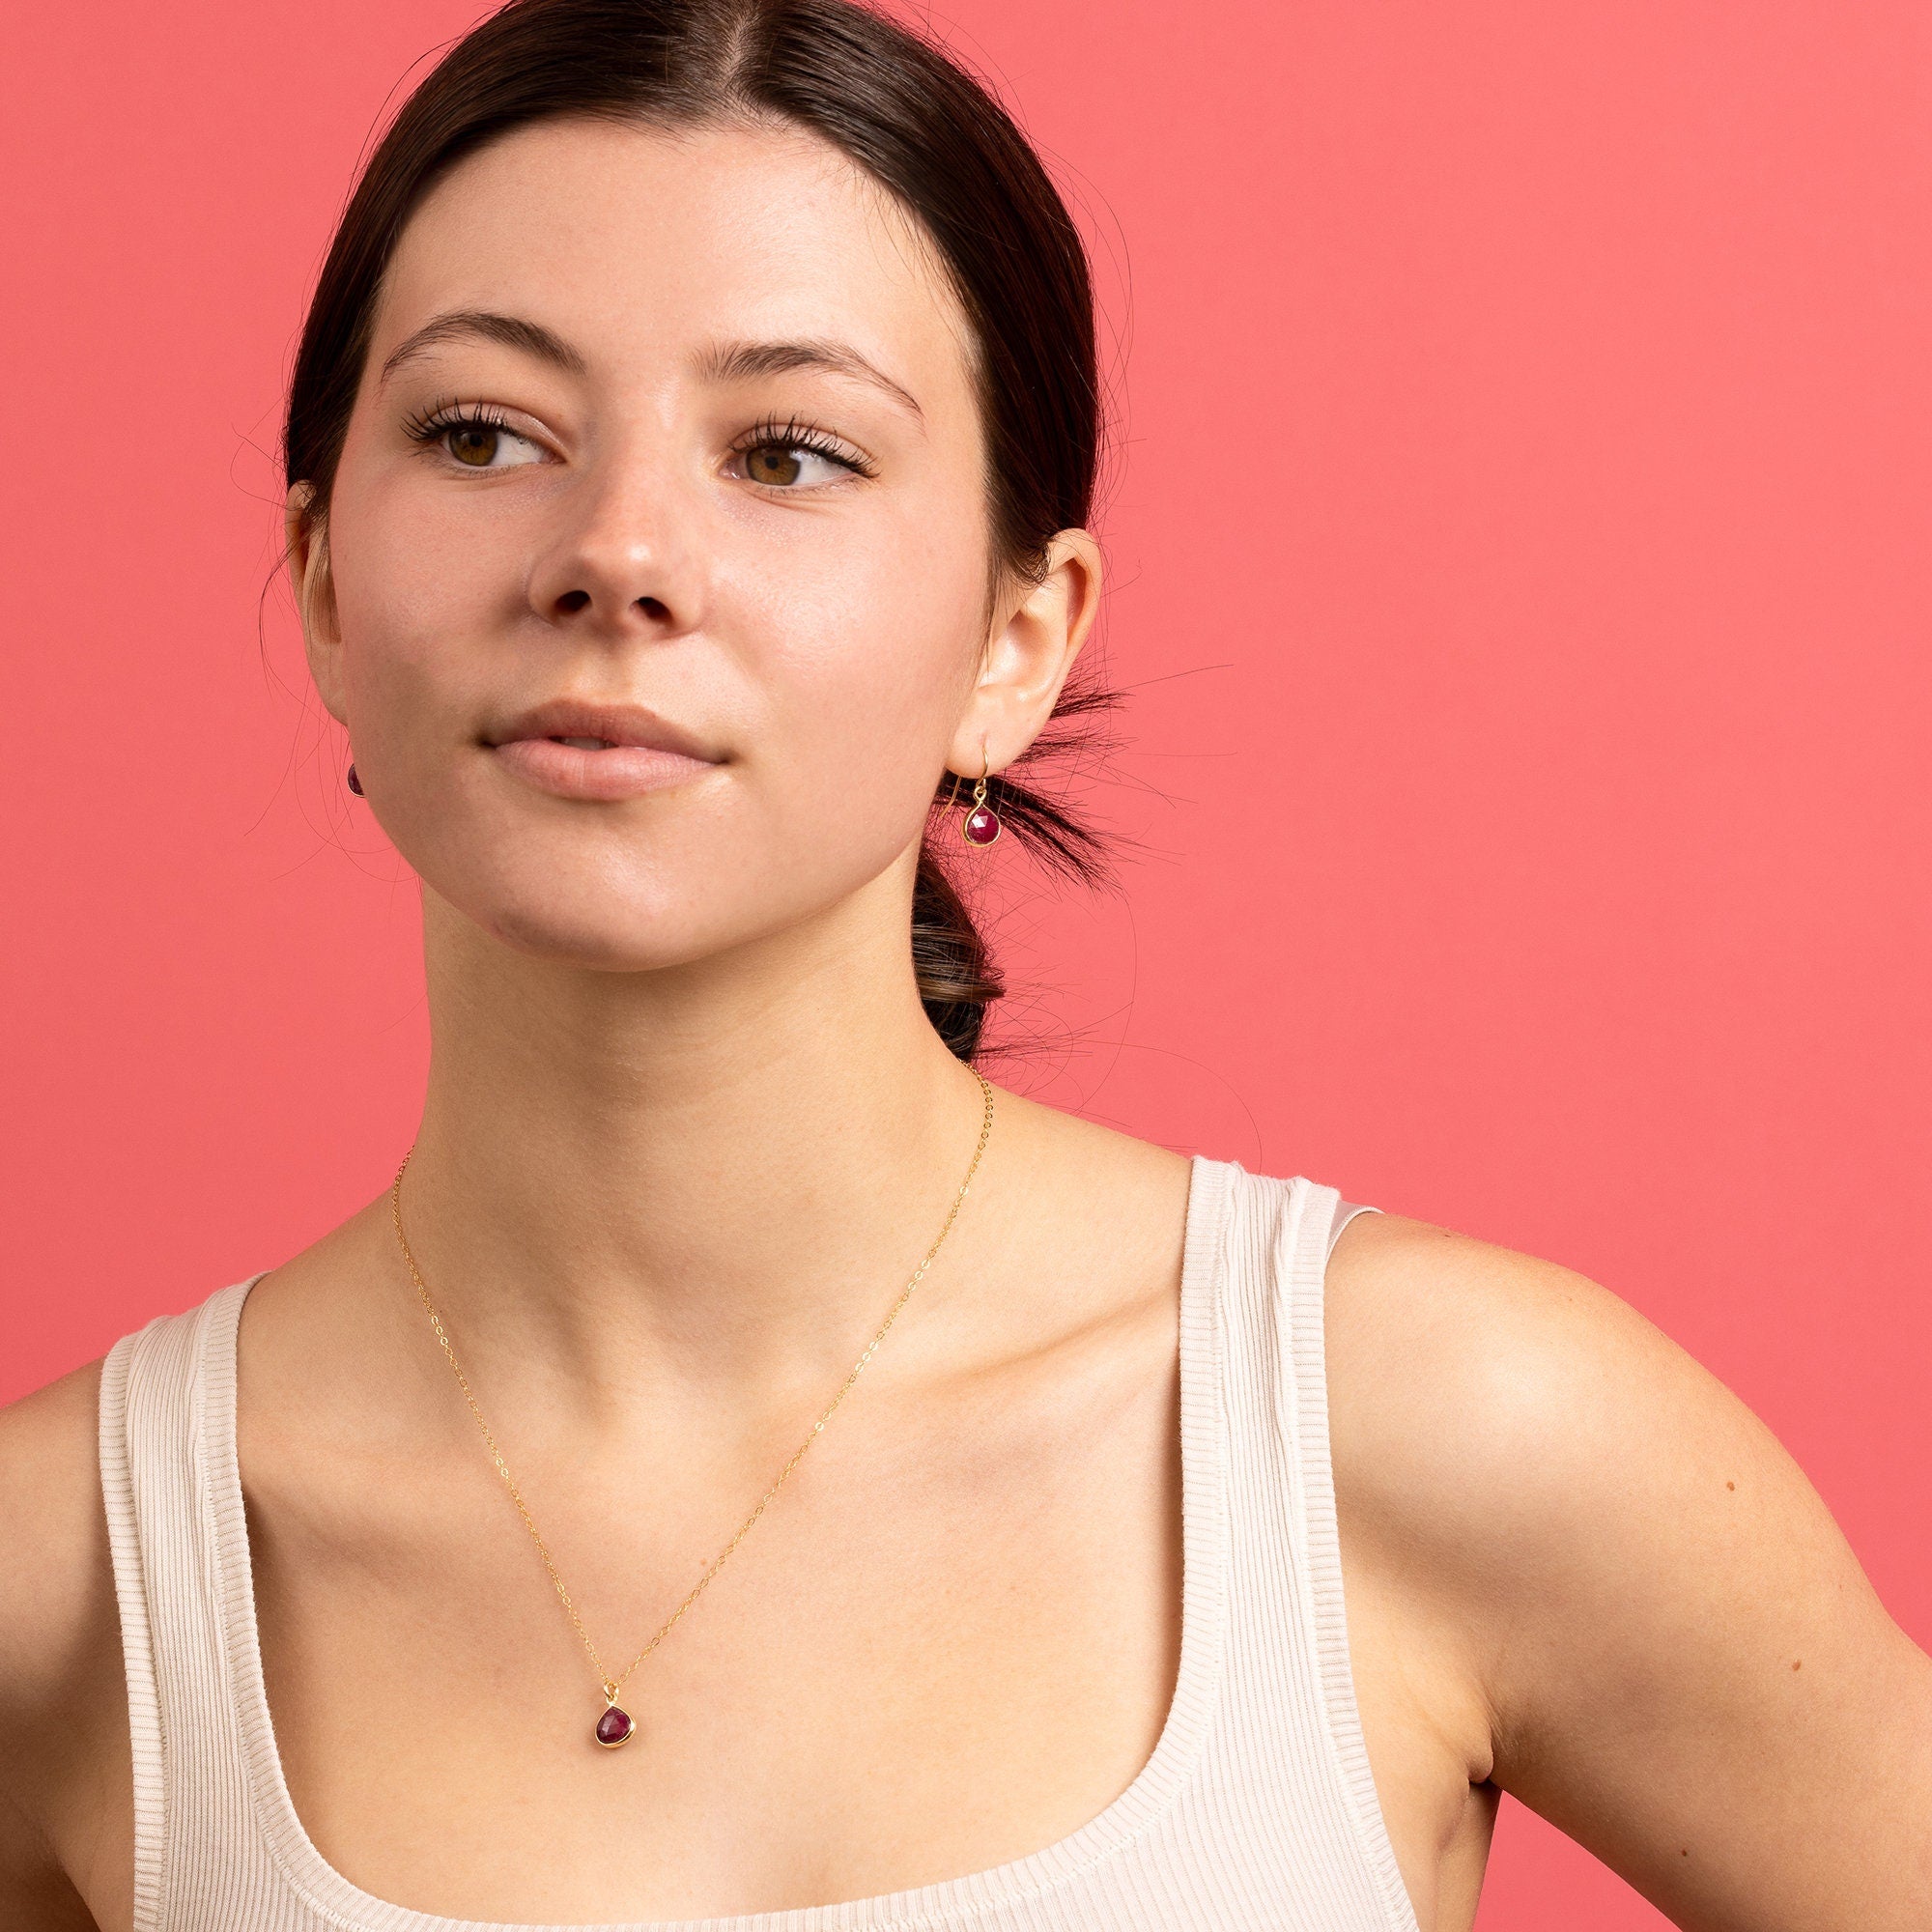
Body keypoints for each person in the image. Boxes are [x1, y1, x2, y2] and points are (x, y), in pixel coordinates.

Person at [2, 1, 1927, 1927]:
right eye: (483, 431)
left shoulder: (1429, 1427)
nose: (616, 553)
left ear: (1023, 634)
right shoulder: (62, 1572)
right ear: (328, 578)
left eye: (790, 451)